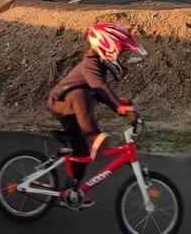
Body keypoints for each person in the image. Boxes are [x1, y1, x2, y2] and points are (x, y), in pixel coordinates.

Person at [47, 23, 146, 201]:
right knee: (81, 94)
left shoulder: (98, 67)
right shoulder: (90, 63)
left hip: (73, 109)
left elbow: (102, 92)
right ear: (108, 47)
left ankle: (73, 189)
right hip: (62, 104)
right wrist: (118, 106)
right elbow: (99, 87)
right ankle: (93, 136)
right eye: (121, 52)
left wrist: (124, 107)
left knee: (81, 152)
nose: (122, 58)